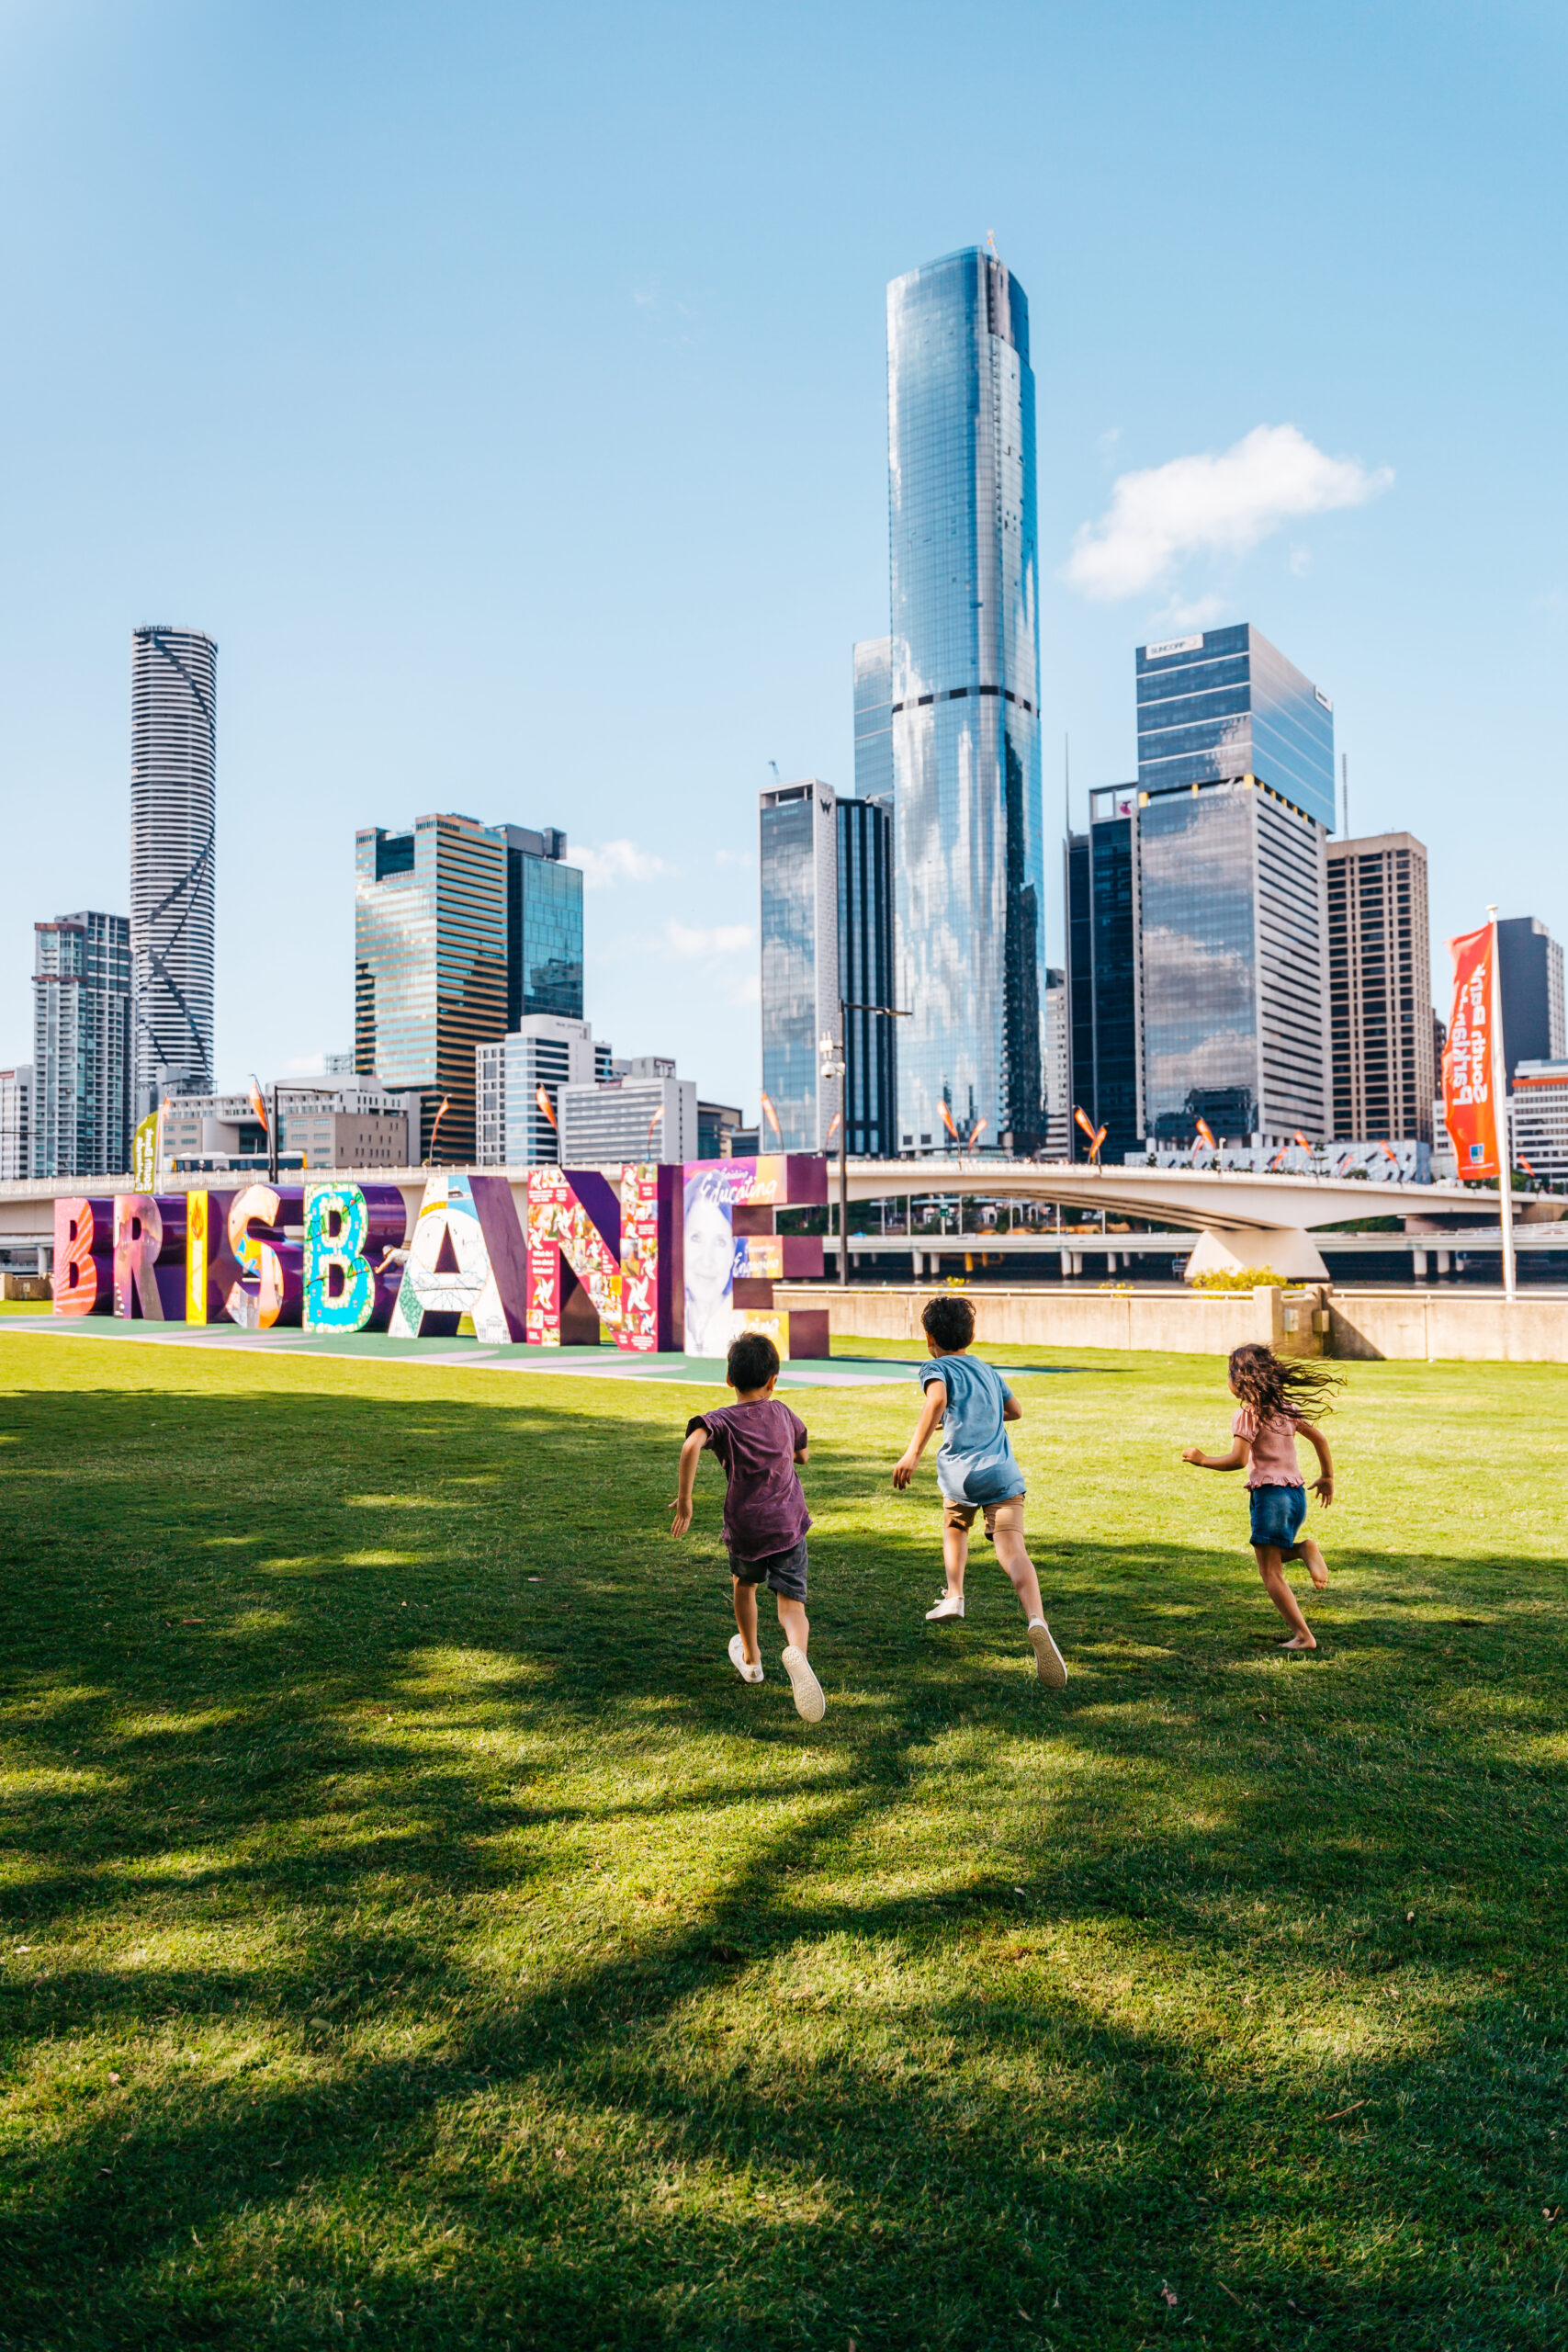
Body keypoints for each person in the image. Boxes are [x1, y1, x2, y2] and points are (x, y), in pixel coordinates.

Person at [892, 1293, 1067, 1689]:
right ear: (971, 1335)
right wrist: (979, 1413)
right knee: (1013, 1550)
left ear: (929, 1338)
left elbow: (936, 1400)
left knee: (956, 1524)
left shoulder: (936, 1367)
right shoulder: (987, 1370)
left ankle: (955, 1594)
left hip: (962, 1475)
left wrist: (912, 1453)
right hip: (1002, 1475)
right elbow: (1015, 1411)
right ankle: (1036, 1619)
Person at [671, 1329, 825, 1723]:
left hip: (746, 1528)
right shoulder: (783, 1412)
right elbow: (802, 1455)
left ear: (728, 1379)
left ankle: (753, 1660)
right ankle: (798, 1658)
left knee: (745, 1586)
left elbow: (690, 1446)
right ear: (774, 1381)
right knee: (791, 1605)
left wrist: (686, 1500)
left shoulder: (720, 1420)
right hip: (788, 1522)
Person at [1182, 1341, 1341, 1651]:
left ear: (1242, 1380)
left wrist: (1201, 1459)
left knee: (1270, 1572)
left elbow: (1238, 1460)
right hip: (1296, 1497)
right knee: (1273, 1554)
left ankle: (1304, 1636)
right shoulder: (1286, 1408)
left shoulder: (1247, 1413)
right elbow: (1319, 1438)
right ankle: (1302, 1549)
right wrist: (1327, 1477)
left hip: (1271, 1497)